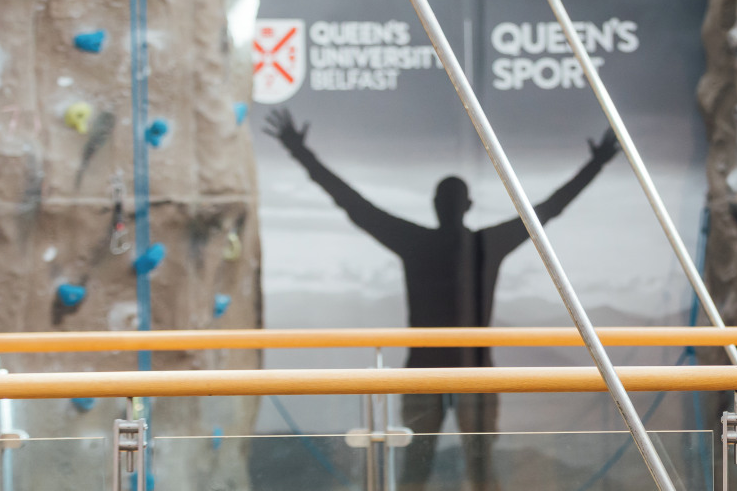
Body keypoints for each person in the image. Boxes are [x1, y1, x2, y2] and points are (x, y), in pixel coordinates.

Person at [264, 108, 620, 490]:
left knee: (420, 473)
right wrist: (595, 163)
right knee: (476, 474)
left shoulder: (421, 243)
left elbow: (352, 203)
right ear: (467, 206)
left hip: (430, 370)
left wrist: (298, 151)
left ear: (437, 205)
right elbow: (549, 209)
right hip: (468, 372)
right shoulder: (486, 244)